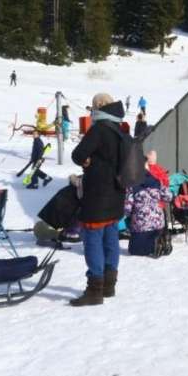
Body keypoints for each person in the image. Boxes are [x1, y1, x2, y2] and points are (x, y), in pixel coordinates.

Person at [69, 93, 126, 306]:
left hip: (98, 195)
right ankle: (109, 285)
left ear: (97, 108)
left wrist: (86, 161)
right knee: (111, 238)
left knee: (92, 240)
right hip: (117, 193)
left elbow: (77, 155)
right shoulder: (119, 129)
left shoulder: (99, 129)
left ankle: (95, 290)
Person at [124, 171, 172, 256]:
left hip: (141, 224)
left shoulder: (132, 185)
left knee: (134, 250)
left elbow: (127, 209)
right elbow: (168, 197)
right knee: (154, 232)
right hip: (159, 222)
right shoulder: (157, 182)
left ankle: (153, 245)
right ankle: (161, 241)